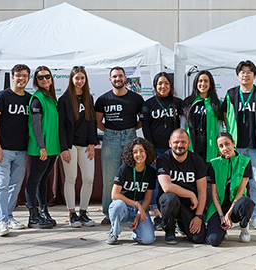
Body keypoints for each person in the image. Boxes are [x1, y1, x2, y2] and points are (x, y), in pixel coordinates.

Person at [222, 60, 256, 230]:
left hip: (255, 146)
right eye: (242, 72)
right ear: (237, 76)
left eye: (249, 71)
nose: (245, 74)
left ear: (254, 76)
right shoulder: (230, 94)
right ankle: (236, 215)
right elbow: (225, 116)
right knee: (234, 183)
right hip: (235, 147)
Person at [95, 67, 144, 225]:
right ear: (110, 80)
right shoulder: (103, 100)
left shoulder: (136, 99)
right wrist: (111, 131)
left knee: (133, 175)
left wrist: (129, 130)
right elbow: (98, 122)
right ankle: (108, 213)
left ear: (125, 78)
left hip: (130, 137)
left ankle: (134, 209)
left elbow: (142, 120)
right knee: (109, 178)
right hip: (110, 138)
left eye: (120, 76)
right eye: (114, 77)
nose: (118, 79)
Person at [0, 64, 32, 236]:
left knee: (15, 185)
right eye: (18, 75)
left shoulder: (29, 98)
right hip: (3, 150)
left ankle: (8, 216)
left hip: (21, 151)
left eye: (25, 75)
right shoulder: (2, 96)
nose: (21, 78)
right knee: (2, 185)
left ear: (28, 78)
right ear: (12, 77)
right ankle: (1, 221)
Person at [140, 72, 183, 231]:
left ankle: (177, 217)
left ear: (170, 85)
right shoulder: (148, 104)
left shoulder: (178, 103)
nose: (163, 86)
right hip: (155, 150)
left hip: (174, 150)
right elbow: (145, 128)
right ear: (155, 86)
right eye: (160, 84)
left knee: (175, 181)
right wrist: (151, 151)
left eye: (166, 83)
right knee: (156, 183)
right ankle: (158, 216)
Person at [58, 66, 98, 228]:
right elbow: (60, 126)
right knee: (71, 179)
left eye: (82, 78)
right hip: (70, 145)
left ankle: (83, 212)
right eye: (77, 78)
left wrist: (92, 143)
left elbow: (92, 122)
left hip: (86, 145)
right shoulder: (64, 99)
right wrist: (64, 148)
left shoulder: (89, 98)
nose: (80, 81)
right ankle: (72, 213)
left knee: (88, 179)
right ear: (71, 79)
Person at [157, 129, 207, 244]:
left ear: (189, 143)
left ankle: (182, 225)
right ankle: (169, 229)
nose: (180, 145)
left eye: (183, 142)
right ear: (170, 143)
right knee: (170, 198)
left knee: (198, 238)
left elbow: (202, 191)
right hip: (169, 203)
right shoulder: (163, 159)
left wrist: (198, 216)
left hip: (189, 207)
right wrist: (191, 194)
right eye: (176, 142)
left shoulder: (197, 161)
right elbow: (167, 187)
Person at [26, 66, 60, 229]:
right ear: (36, 81)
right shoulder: (38, 98)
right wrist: (42, 147)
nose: (44, 79)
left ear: (51, 78)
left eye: (47, 76)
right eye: (40, 78)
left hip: (52, 148)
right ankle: (33, 216)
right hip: (41, 148)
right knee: (33, 181)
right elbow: (36, 126)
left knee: (43, 181)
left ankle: (44, 212)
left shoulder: (51, 98)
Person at [206, 132, 255, 246]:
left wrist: (228, 214)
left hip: (236, 205)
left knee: (247, 202)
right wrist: (221, 216)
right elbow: (214, 192)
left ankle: (244, 227)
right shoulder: (213, 164)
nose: (225, 148)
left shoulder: (245, 162)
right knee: (213, 241)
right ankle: (223, 229)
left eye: (227, 144)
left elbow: (240, 190)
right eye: (221, 146)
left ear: (233, 143)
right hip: (219, 207)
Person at [107, 138, 157, 245]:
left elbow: (148, 197)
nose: (139, 154)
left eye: (142, 151)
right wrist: (136, 204)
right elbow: (114, 194)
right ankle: (114, 232)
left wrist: (139, 213)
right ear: (131, 154)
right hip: (124, 205)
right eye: (135, 152)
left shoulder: (151, 172)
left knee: (148, 239)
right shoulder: (125, 168)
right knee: (116, 206)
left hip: (139, 208)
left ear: (147, 152)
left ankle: (136, 234)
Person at [182, 70, 223, 163]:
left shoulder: (217, 104)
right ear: (196, 83)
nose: (202, 84)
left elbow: (220, 127)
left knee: (207, 170)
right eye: (200, 81)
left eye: (206, 81)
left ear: (210, 84)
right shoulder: (188, 102)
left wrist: (220, 146)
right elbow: (183, 125)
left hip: (209, 142)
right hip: (192, 141)